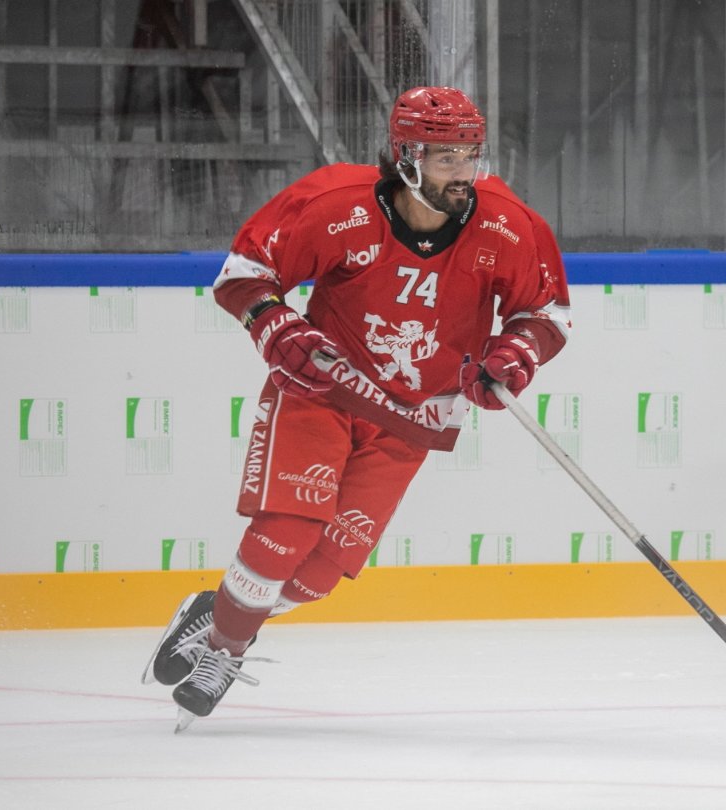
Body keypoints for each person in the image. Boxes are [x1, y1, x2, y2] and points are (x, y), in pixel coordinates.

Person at [141, 86, 571, 730]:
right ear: (405, 157)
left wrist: (513, 355)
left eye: (471, 155)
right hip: (323, 391)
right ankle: (224, 650)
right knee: (287, 531)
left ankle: (219, 610)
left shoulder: (507, 223)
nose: (465, 172)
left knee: (319, 571)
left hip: (415, 418)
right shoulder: (335, 204)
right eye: (446, 156)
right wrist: (278, 328)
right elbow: (242, 273)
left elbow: (546, 314)